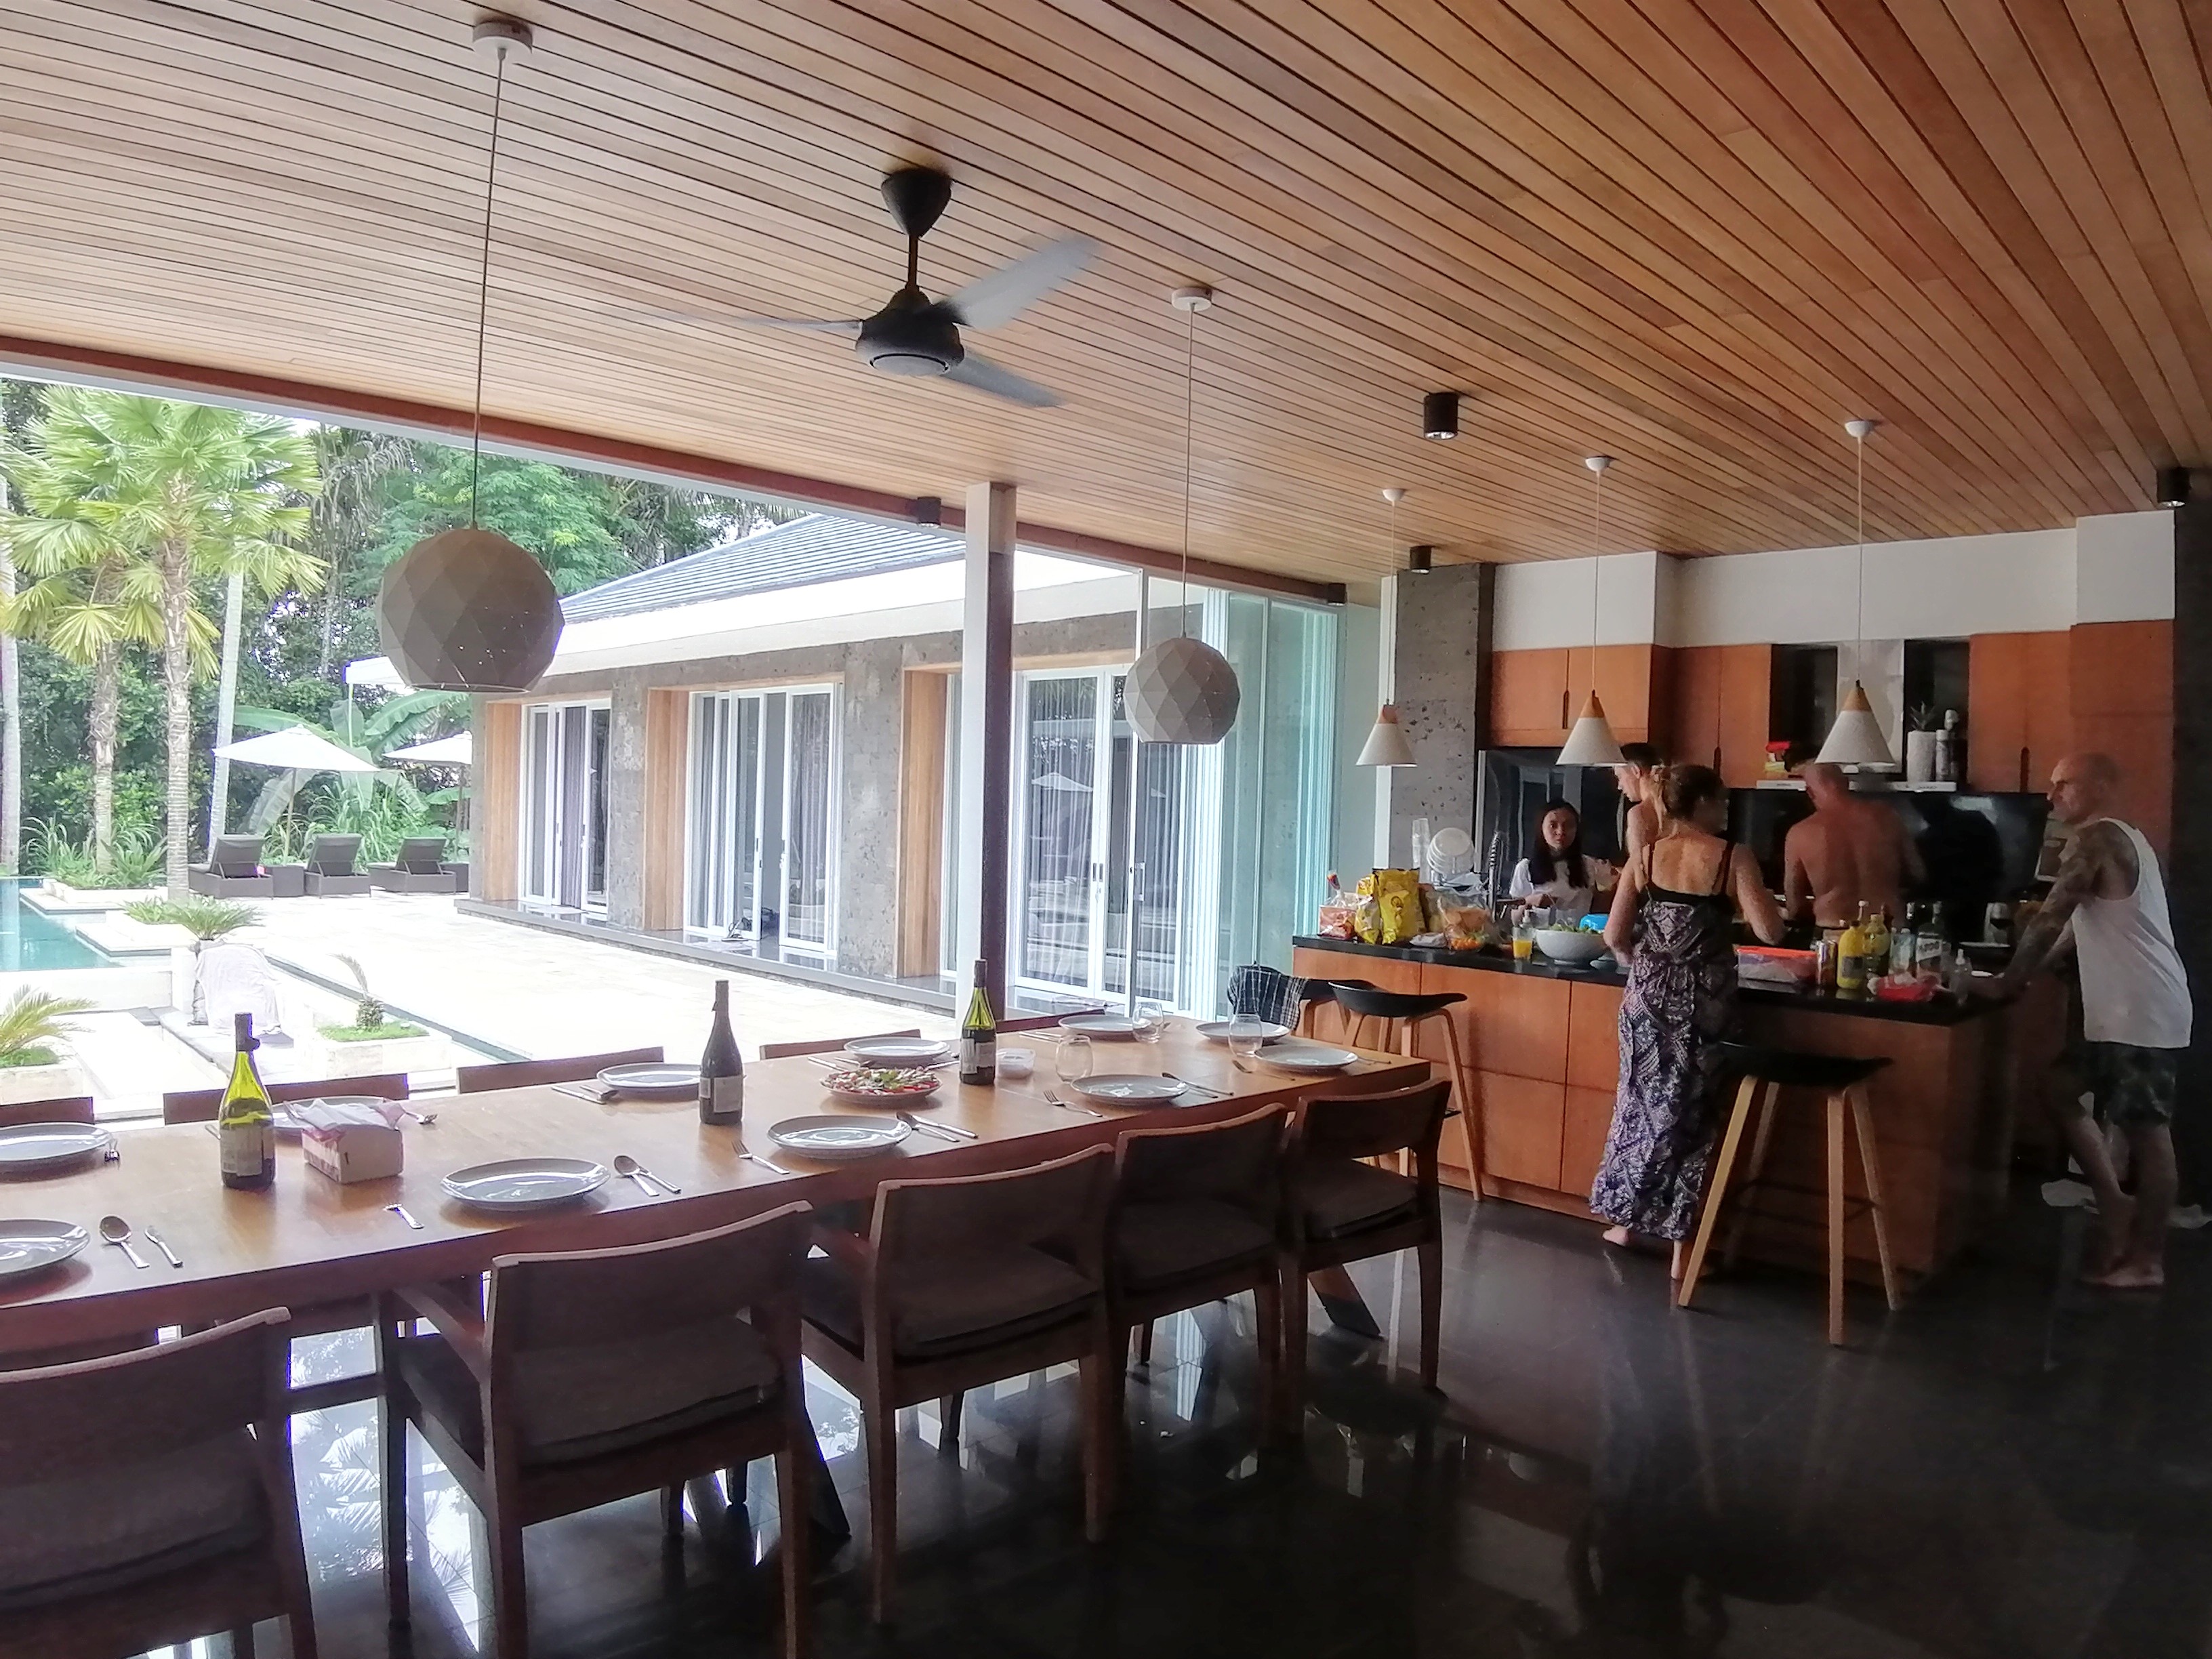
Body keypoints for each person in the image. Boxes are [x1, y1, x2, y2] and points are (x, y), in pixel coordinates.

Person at [1978, 753, 2191, 1289]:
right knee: (2057, 1089)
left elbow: (2051, 916)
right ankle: (2113, 1201)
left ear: (2099, 786)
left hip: (2139, 1010)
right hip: (2121, 1011)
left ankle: (2147, 1261)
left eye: (2064, 785)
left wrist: (2008, 982)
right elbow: (2076, 929)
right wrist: (2023, 975)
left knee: (2149, 1134)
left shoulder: (2096, 838)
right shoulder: (2127, 836)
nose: (2052, 797)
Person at [1593, 765, 1786, 1275]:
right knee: (1694, 1119)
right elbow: (1770, 931)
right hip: (1705, 1004)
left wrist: (1646, 964)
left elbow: (1613, 935)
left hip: (1646, 1000)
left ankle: (1625, 1223)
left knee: (1639, 1110)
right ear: (1700, 803)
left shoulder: (1645, 856)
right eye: (1721, 802)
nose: (1726, 811)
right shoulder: (1732, 856)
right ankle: (1684, 1253)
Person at [1782, 762, 1926, 926]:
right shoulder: (1888, 817)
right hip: (1887, 927)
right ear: (1847, 783)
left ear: (1809, 792)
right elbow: (1918, 874)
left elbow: (1795, 906)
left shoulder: (1799, 833)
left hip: (1835, 931)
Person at [1509, 800, 1618, 920]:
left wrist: (1609, 888)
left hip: (1579, 931)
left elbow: (1601, 910)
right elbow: (1514, 919)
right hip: (1537, 932)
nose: (1561, 832)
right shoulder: (1526, 868)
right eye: (1553, 825)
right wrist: (1528, 901)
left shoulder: (1589, 865)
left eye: (1568, 825)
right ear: (1541, 828)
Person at [1614, 743, 1664, 867]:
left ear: (1636, 771)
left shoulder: (1639, 814)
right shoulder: (1672, 803)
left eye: (1620, 776)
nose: (1619, 786)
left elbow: (1640, 871)